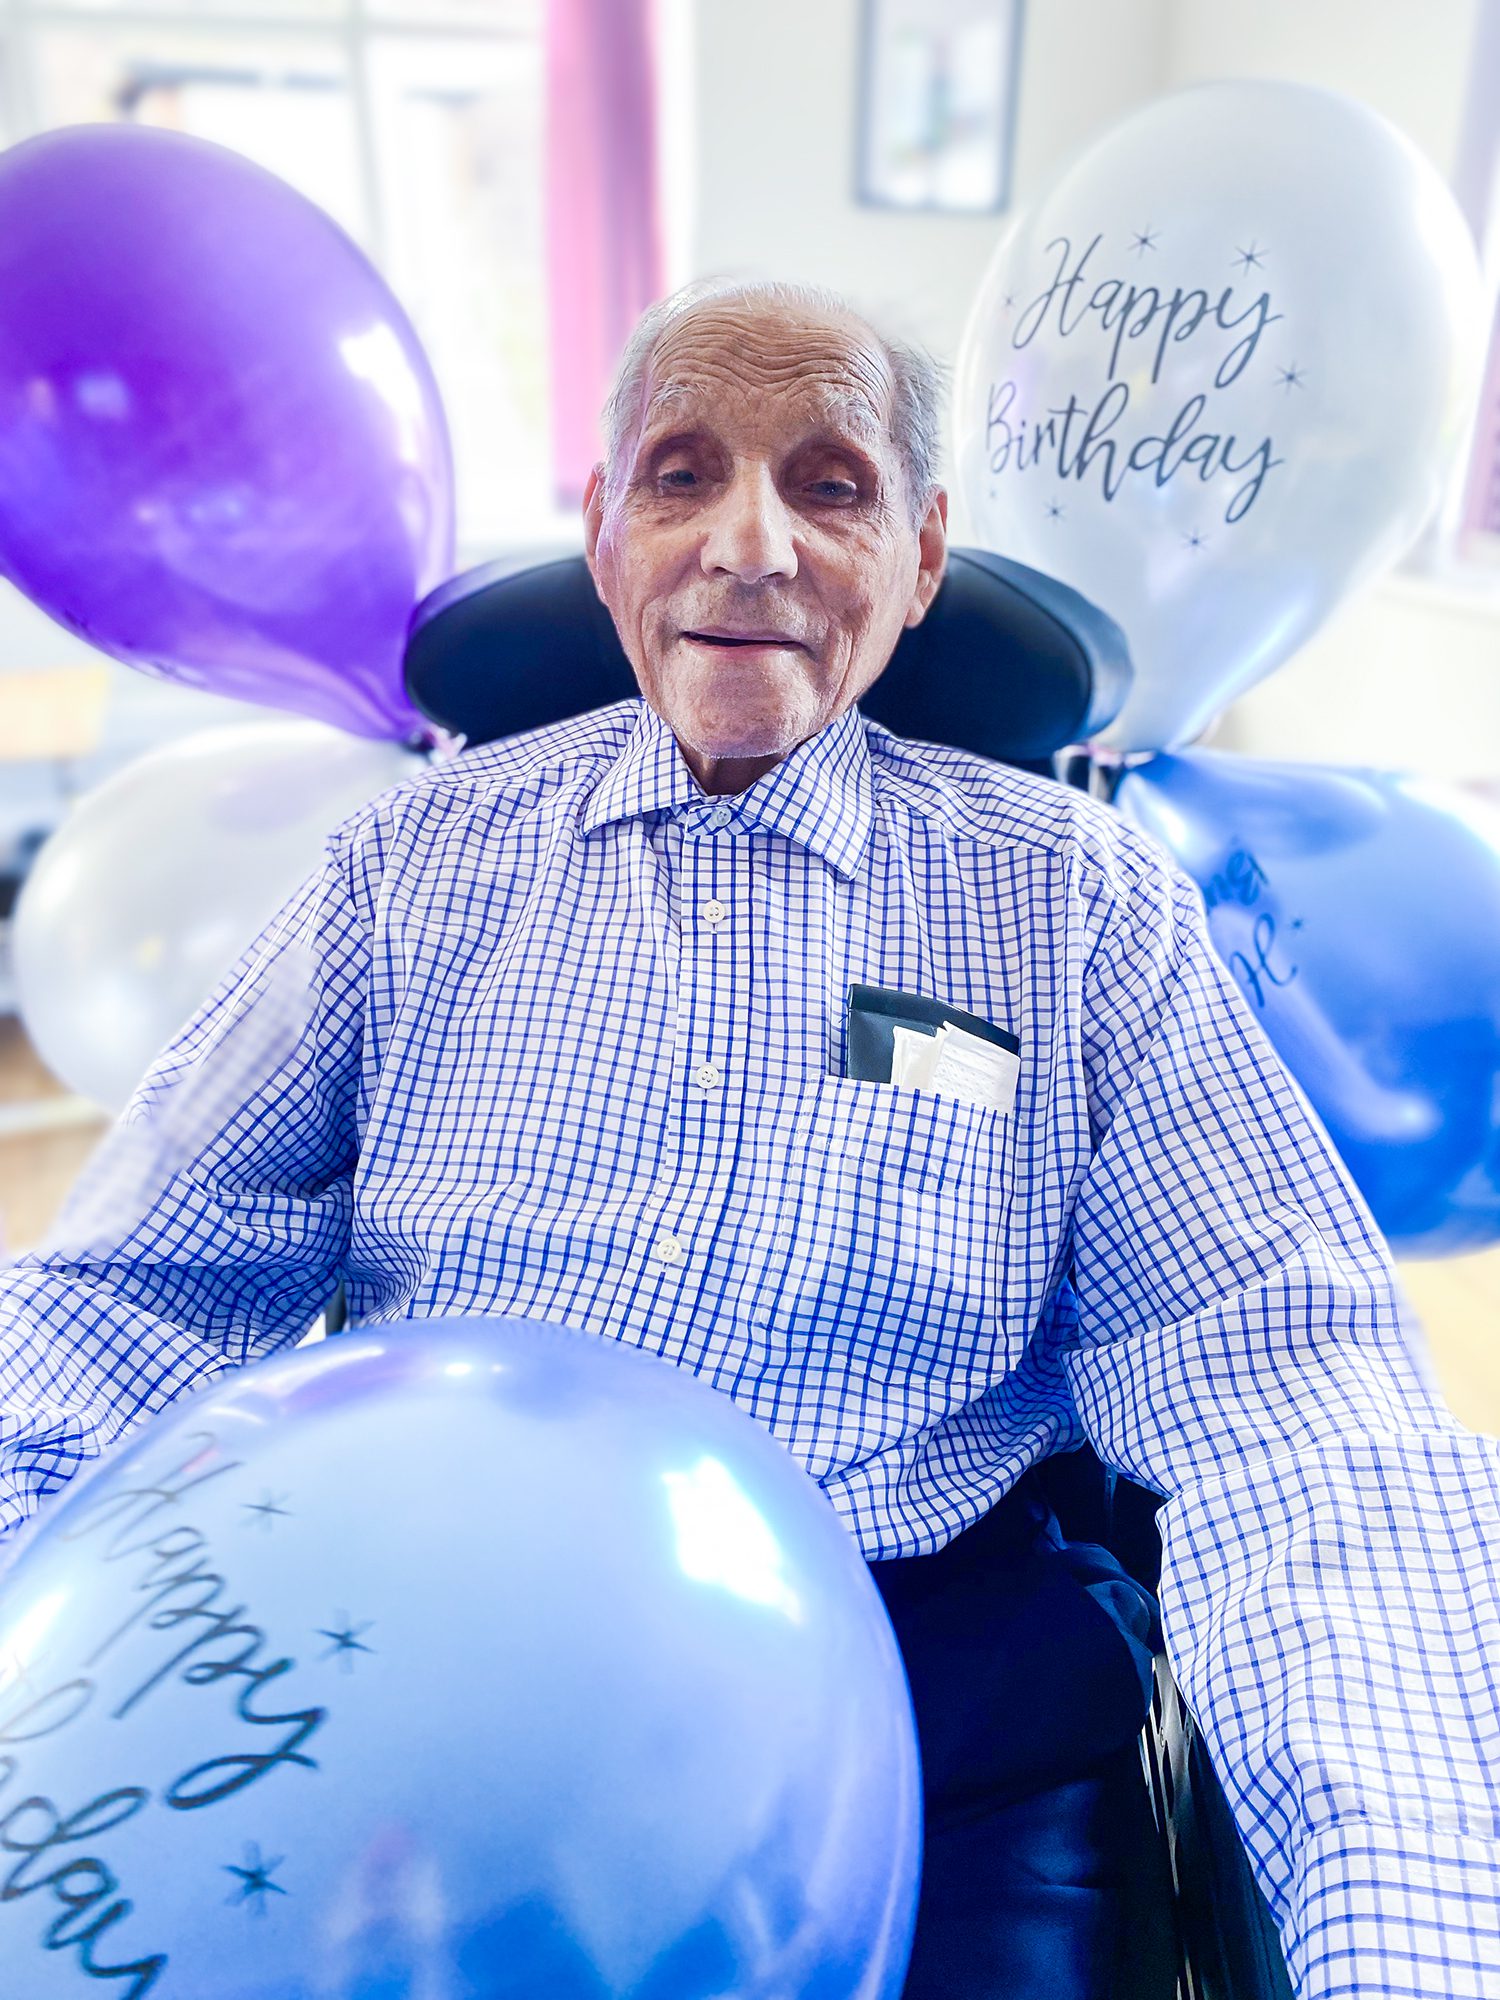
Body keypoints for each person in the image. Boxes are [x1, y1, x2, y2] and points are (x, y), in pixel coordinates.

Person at [3, 276, 1498, 1998]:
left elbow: (1298, 1407)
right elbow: (128, 1295)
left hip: (931, 1694)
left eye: (834, 485)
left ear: (925, 556)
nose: (750, 544)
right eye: (682, 473)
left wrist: (1410, 1936)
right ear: (604, 531)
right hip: (396, 1672)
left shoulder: (1075, 907)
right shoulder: (408, 867)